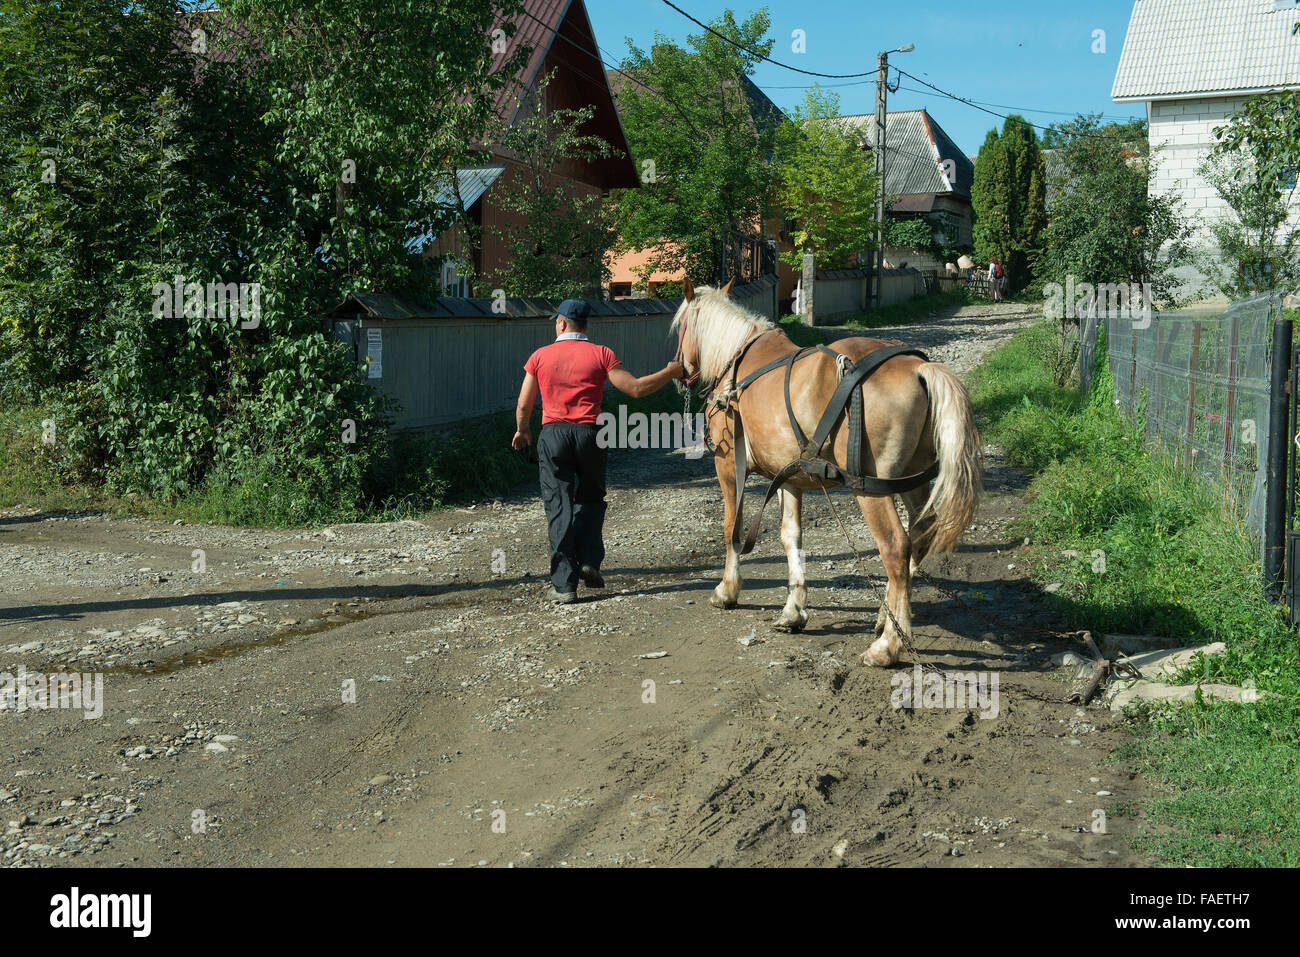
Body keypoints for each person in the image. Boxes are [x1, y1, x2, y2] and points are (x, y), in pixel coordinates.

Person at [512, 299, 684, 604]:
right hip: (592, 434)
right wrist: (670, 373)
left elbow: (525, 402)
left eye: (556, 321)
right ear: (586, 325)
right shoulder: (601, 354)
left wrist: (523, 430)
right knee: (591, 499)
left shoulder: (540, 356)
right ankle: (590, 560)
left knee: (559, 505)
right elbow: (636, 389)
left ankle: (564, 585)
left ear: (562, 323)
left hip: (553, 435)